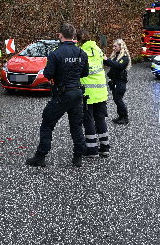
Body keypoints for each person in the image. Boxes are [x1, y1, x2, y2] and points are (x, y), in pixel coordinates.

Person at [26, 23, 89, 168]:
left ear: (60, 35)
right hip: (77, 93)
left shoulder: (55, 53)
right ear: (73, 36)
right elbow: (84, 73)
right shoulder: (82, 53)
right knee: (76, 126)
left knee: (47, 124)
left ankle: (40, 156)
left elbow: (48, 74)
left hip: (62, 95)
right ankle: (78, 157)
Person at [77, 29, 110, 157]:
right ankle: (105, 147)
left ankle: (92, 149)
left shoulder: (81, 52)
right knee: (100, 119)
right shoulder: (98, 50)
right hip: (101, 91)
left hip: (88, 92)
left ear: (79, 41)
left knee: (88, 120)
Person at [104, 38, 131, 125]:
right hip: (115, 82)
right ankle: (121, 116)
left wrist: (107, 60)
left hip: (120, 82)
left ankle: (125, 117)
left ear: (121, 46)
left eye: (115, 46)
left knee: (118, 100)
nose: (113, 48)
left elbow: (118, 66)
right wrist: (104, 59)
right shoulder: (116, 56)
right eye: (113, 46)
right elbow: (110, 64)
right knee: (116, 99)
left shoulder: (124, 58)